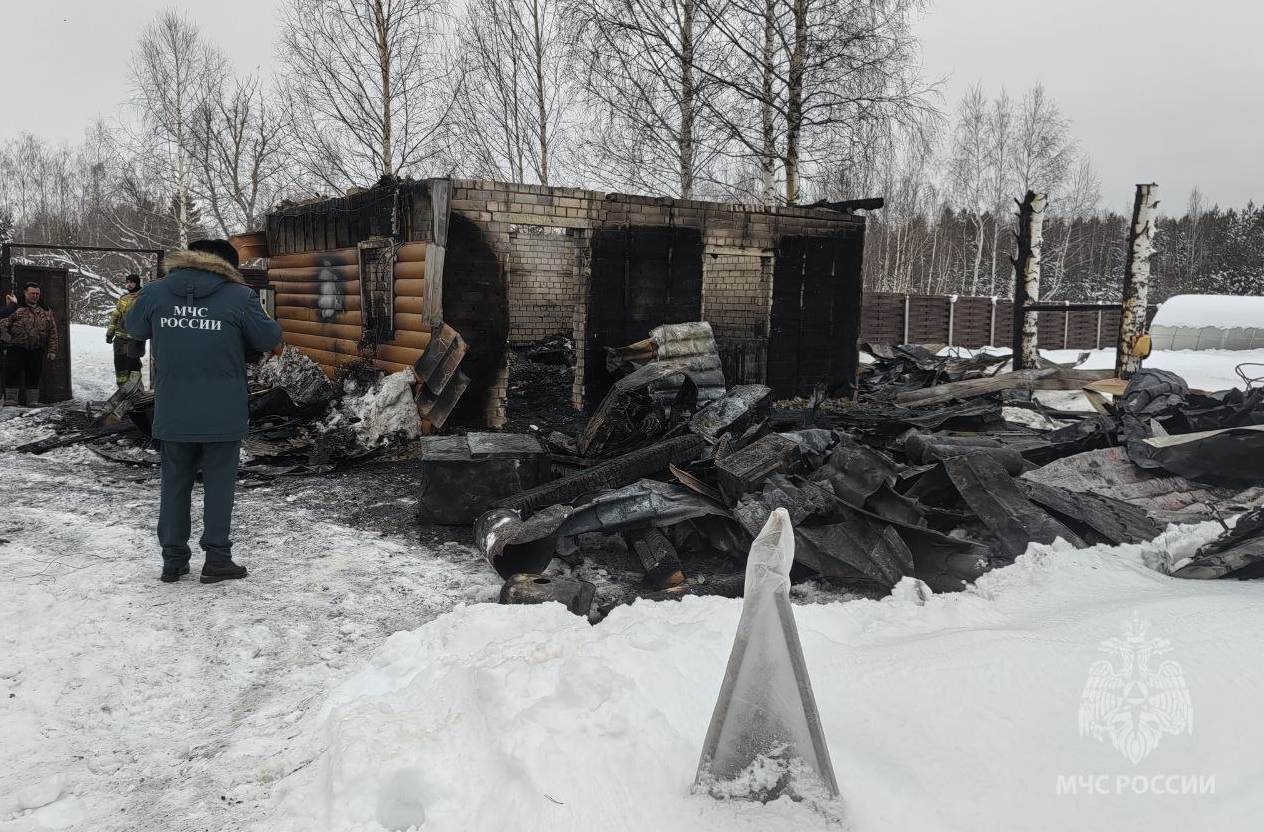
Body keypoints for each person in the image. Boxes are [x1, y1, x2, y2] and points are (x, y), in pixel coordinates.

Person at [125, 239, 282, 584]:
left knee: (174, 485)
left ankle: (173, 560)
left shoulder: (154, 293)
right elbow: (270, 337)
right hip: (222, 411)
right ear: (225, 265)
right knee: (219, 486)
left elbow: (133, 328)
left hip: (173, 408)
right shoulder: (240, 297)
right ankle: (217, 559)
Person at [0, 283, 59, 407]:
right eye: (32, 293)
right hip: (16, 347)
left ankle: (32, 402)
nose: (35, 296)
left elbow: (52, 331)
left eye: (37, 293)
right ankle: (11, 400)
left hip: (37, 348)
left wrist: (52, 350)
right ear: (25, 293)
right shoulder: (16, 308)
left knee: (34, 374)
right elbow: (3, 325)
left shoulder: (45, 310)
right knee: (13, 372)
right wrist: (7, 340)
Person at [105, 274, 146, 388]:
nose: (129, 284)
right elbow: (115, 316)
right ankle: (122, 392)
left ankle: (136, 392)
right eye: (127, 282)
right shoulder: (123, 298)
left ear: (137, 283)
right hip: (119, 339)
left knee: (134, 367)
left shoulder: (143, 297)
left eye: (132, 282)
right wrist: (109, 333)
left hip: (135, 339)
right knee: (120, 366)